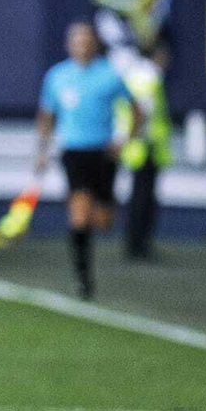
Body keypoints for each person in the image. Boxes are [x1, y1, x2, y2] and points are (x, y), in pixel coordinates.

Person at [35, 21, 142, 299]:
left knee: (104, 220)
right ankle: (83, 279)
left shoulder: (109, 76)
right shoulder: (57, 76)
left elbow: (136, 109)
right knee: (79, 215)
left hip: (103, 153)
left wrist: (125, 141)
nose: (81, 45)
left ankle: (93, 220)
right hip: (73, 152)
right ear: (68, 44)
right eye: (76, 40)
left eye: (86, 40)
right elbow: (47, 116)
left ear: (94, 44)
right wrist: (42, 152)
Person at [119, 40, 170, 261]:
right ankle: (138, 245)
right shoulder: (150, 76)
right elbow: (144, 111)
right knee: (143, 198)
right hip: (146, 146)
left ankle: (135, 243)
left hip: (137, 146)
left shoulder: (134, 74)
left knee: (138, 196)